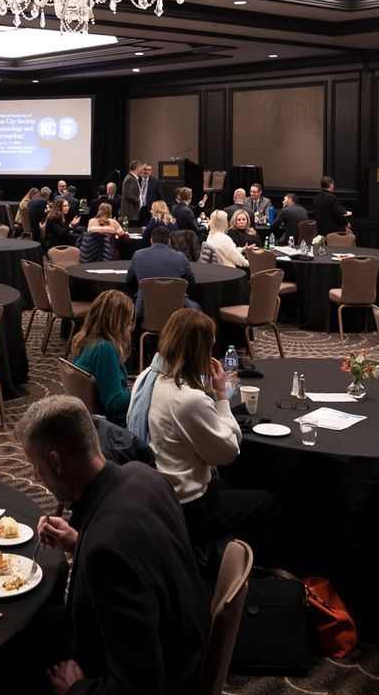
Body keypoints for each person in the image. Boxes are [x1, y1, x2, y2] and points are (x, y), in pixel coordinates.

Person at [14, 396, 207, 695]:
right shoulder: (142, 477)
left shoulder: (106, 550)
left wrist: (76, 693)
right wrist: (77, 541)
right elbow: (141, 559)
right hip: (185, 663)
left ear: (55, 461)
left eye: (36, 467)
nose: (36, 478)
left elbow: (139, 693)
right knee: (34, 628)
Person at [141, 309, 281, 559]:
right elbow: (228, 452)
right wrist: (220, 396)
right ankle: (246, 574)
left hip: (159, 492)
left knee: (240, 484)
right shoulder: (188, 400)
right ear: (200, 350)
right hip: (188, 507)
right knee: (268, 503)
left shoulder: (151, 378)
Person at [69, 291, 135, 424]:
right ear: (117, 322)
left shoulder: (83, 340)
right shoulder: (105, 349)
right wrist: (142, 391)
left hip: (89, 420)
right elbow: (115, 404)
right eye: (128, 322)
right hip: (114, 427)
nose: (130, 327)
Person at [126, 224, 199, 319]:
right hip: (177, 315)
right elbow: (191, 282)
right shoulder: (180, 257)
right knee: (197, 307)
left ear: (151, 241)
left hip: (145, 313)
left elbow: (129, 280)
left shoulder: (138, 255)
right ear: (169, 241)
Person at [121, 161, 159, 227]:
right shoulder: (130, 179)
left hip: (146, 211)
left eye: (149, 170)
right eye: (143, 169)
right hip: (132, 213)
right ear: (138, 168)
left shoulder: (154, 181)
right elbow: (129, 195)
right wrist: (140, 201)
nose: (144, 171)